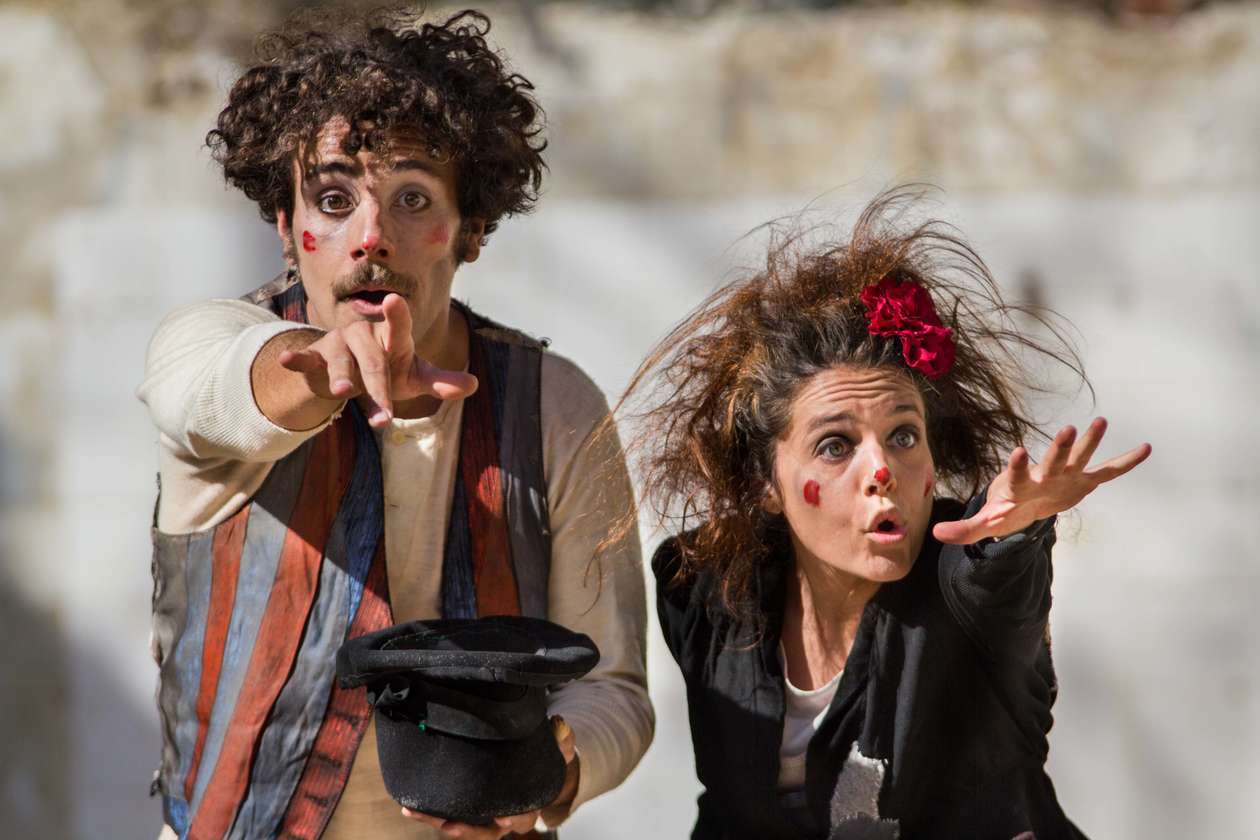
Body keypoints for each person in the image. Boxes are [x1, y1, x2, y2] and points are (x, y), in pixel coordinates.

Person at [137, 9, 652, 840]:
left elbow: (612, 688)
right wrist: (322, 369)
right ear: (285, 227)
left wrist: (544, 776)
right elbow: (214, 395)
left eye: (412, 199)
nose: (370, 238)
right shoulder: (207, 342)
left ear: (471, 229)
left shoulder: (555, 404)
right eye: (333, 199)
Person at [621, 189, 1150, 839]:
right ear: (765, 481)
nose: (882, 470)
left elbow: (994, 580)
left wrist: (1015, 533)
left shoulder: (965, 589)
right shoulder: (704, 594)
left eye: (903, 435)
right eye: (835, 445)